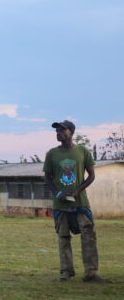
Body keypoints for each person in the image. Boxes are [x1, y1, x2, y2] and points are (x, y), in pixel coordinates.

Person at [43, 120, 107, 283]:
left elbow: (91, 175)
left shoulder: (83, 151)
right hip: (61, 205)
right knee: (63, 238)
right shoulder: (51, 154)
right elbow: (47, 177)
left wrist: (77, 190)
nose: (58, 133)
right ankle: (66, 272)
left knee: (88, 236)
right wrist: (58, 193)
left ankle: (91, 273)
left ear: (71, 132)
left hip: (80, 204)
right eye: (56, 131)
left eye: (61, 130)